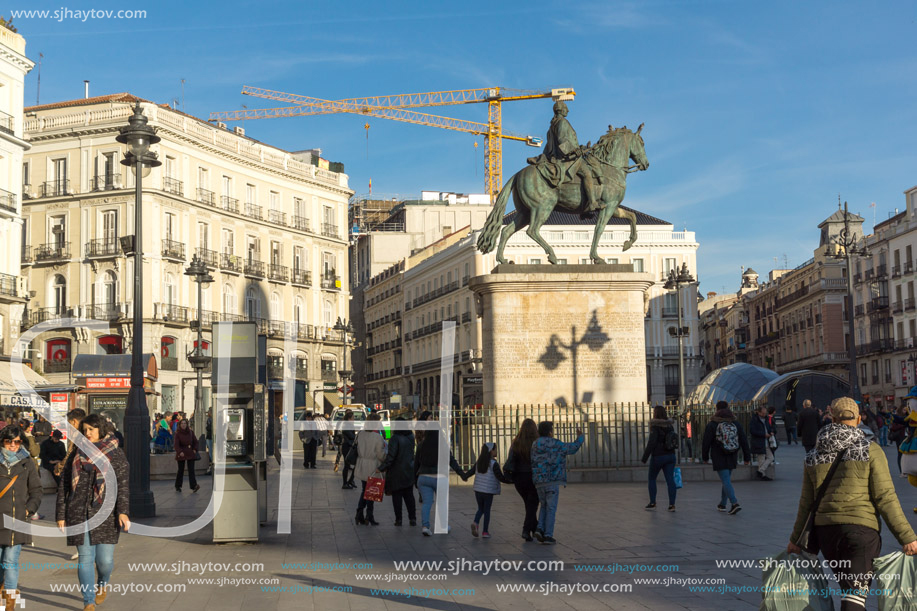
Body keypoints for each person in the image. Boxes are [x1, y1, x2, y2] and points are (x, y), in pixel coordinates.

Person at [787, 397, 917, 611]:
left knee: (851, 592)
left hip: (827, 535)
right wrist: (907, 537)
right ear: (858, 419)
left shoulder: (813, 455)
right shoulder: (870, 449)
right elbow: (885, 497)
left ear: (833, 418)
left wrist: (795, 540)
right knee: (853, 599)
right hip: (860, 534)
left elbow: (806, 504)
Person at [56, 414, 131, 611]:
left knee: (105, 561)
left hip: (106, 512)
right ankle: (88, 601)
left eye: (91, 429)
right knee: (85, 558)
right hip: (78, 511)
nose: (87, 433)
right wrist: (61, 515)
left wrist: (123, 512)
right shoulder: (76, 452)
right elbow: (64, 485)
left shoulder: (116, 453)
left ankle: (103, 583)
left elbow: (122, 485)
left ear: (101, 429)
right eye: (85, 430)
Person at [0, 425, 44, 609]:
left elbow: (36, 490)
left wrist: (28, 510)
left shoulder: (27, 463)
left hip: (17, 519)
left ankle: (9, 600)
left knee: (10, 561)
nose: (13, 445)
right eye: (9, 441)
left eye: (16, 442)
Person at [414, 415, 471, 536]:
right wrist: (462, 474)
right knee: (441, 503)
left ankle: (425, 526)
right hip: (439, 478)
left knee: (427, 503)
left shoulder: (421, 445)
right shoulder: (443, 445)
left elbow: (416, 464)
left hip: (423, 478)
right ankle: (443, 526)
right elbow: (452, 461)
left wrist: (415, 480)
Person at [531, 421, 585, 545]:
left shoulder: (535, 444)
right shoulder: (556, 443)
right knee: (551, 508)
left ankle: (540, 528)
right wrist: (580, 437)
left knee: (544, 505)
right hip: (552, 480)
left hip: (539, 480)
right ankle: (548, 535)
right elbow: (572, 449)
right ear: (550, 432)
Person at [702, 401, 751, 515]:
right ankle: (722, 504)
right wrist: (747, 457)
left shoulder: (712, 424)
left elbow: (706, 442)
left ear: (716, 409)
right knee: (726, 479)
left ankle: (734, 503)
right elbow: (744, 440)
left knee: (725, 480)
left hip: (718, 455)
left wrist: (705, 457)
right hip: (732, 453)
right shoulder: (735, 423)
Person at [504, 418, 539, 542]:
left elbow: (511, 458)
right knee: (532, 504)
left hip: (519, 478)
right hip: (533, 477)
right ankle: (526, 530)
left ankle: (534, 529)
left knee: (529, 504)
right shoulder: (537, 442)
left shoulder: (516, 442)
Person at [468, 442, 512, 538]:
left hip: (478, 490)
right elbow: (500, 477)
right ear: (491, 451)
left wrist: (464, 476)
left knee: (481, 509)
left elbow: (470, 472)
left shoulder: (479, 462)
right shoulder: (494, 464)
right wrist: (511, 481)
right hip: (488, 491)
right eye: (495, 449)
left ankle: (475, 523)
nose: (496, 451)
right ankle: (485, 532)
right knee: (487, 510)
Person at [378, 417, 416, 526]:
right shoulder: (411, 436)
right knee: (409, 496)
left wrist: (382, 467)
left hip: (396, 471)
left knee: (397, 496)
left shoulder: (395, 438)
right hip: (408, 469)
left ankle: (398, 519)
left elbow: (391, 457)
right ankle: (412, 518)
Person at [641, 405, 678, 512]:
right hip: (671, 456)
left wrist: (645, 457)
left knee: (652, 479)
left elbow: (652, 442)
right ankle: (672, 505)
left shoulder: (655, 425)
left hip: (658, 456)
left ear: (655, 413)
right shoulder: (670, 425)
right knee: (670, 480)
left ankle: (652, 503)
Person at [353, 413, 386, 526]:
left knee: (364, 490)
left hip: (362, 464)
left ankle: (360, 513)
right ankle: (369, 516)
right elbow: (380, 455)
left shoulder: (360, 434)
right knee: (371, 492)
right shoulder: (377, 437)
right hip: (372, 466)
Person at [173, 419, 200, 493]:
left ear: (187, 424)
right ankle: (178, 486)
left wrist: (195, 449)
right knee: (180, 470)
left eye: (185, 423)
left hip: (190, 452)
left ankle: (194, 486)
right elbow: (176, 444)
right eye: (182, 423)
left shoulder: (190, 432)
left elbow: (196, 442)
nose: (183, 425)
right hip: (182, 453)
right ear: (180, 424)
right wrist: (179, 452)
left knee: (191, 470)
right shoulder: (177, 433)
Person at [750, 405, 775, 481]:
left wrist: (771, 432)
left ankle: (760, 471)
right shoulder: (754, 420)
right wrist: (763, 434)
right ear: (759, 412)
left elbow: (769, 427)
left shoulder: (766, 419)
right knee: (761, 459)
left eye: (765, 413)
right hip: (759, 441)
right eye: (763, 413)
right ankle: (762, 475)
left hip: (766, 441)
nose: (764, 415)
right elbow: (752, 431)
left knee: (771, 457)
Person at [337, 410, 356, 489]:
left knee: (351, 465)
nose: (354, 419)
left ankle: (350, 481)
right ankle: (346, 482)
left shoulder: (348, 425)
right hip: (347, 447)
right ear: (349, 418)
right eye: (353, 418)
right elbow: (351, 436)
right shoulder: (346, 426)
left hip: (349, 446)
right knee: (347, 465)